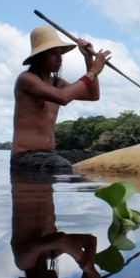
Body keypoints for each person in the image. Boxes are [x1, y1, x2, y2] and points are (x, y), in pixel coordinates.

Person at [10, 25, 111, 173]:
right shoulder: (26, 79)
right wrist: (93, 71)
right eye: (53, 54)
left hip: (50, 154)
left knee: (103, 160)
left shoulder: (58, 83)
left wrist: (88, 59)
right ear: (40, 57)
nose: (59, 59)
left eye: (60, 54)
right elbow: (63, 97)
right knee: (61, 166)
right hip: (25, 155)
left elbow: (93, 96)